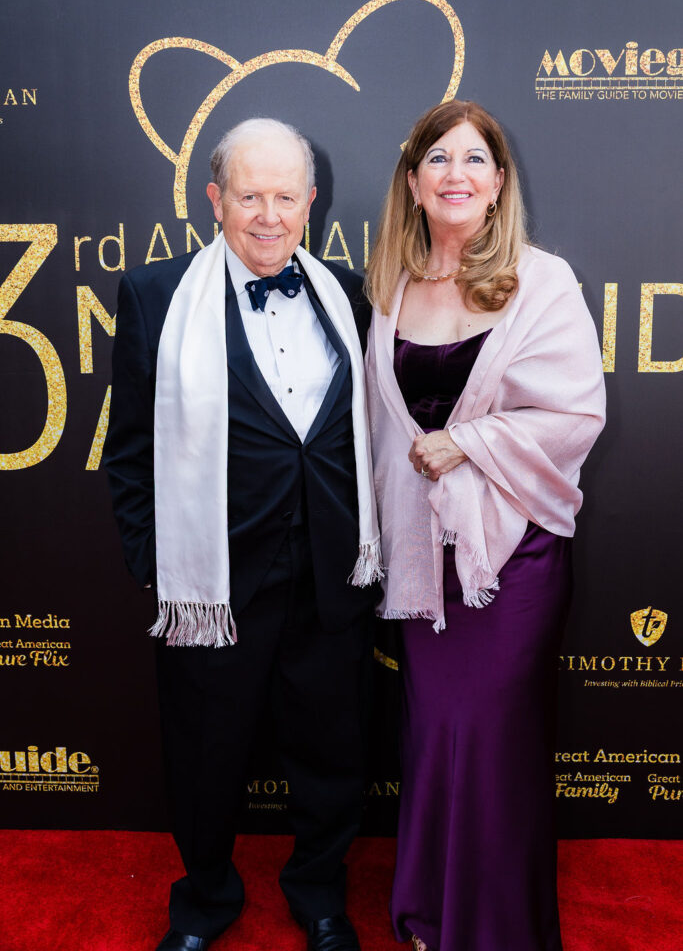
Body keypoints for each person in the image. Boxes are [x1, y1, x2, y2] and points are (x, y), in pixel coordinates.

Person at [103, 118, 382, 951]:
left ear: (311, 202)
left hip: (331, 570)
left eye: (285, 197)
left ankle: (319, 895)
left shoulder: (350, 294)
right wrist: (158, 565)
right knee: (204, 755)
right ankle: (204, 903)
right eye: (249, 196)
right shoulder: (156, 295)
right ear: (215, 200)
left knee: (331, 754)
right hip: (213, 580)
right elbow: (129, 451)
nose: (268, 215)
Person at [364, 100, 606, 951]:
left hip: (512, 560)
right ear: (412, 183)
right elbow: (377, 425)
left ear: (499, 182)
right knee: (433, 737)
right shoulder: (389, 289)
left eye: (473, 159)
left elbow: (574, 415)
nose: (455, 174)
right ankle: (430, 918)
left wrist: (465, 442)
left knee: (493, 743)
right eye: (437, 159)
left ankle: (497, 930)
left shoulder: (542, 282)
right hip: (422, 561)